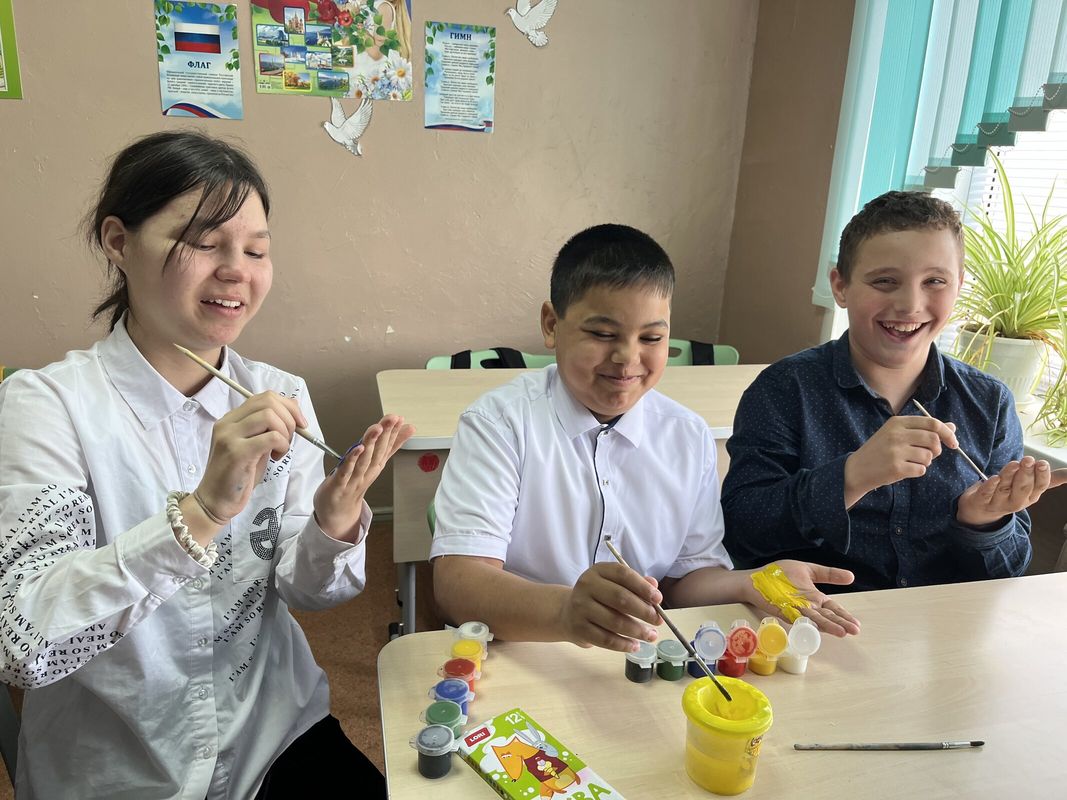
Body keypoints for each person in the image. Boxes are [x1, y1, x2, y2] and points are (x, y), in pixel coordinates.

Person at [0, 130, 412, 799]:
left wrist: (332, 527)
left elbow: (310, 593)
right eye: (202, 242)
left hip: (273, 732)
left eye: (256, 250)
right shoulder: (46, 407)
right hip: (120, 770)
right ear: (118, 241)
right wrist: (201, 514)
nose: (236, 271)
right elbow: (24, 644)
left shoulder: (279, 394)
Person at [431, 223, 860, 654]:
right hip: (523, 651)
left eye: (651, 338)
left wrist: (751, 582)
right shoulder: (500, 424)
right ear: (551, 324)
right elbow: (458, 584)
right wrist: (565, 611)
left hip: (637, 658)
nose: (627, 358)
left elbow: (684, 581)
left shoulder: (687, 435)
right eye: (602, 335)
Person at [721, 191, 1067, 592]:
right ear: (840, 286)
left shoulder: (989, 403)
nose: (910, 304)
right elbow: (742, 533)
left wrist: (983, 521)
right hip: (817, 616)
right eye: (885, 281)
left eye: (935, 281)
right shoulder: (784, 390)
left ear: (958, 287)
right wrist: (852, 476)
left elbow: (1007, 573)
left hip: (939, 623)